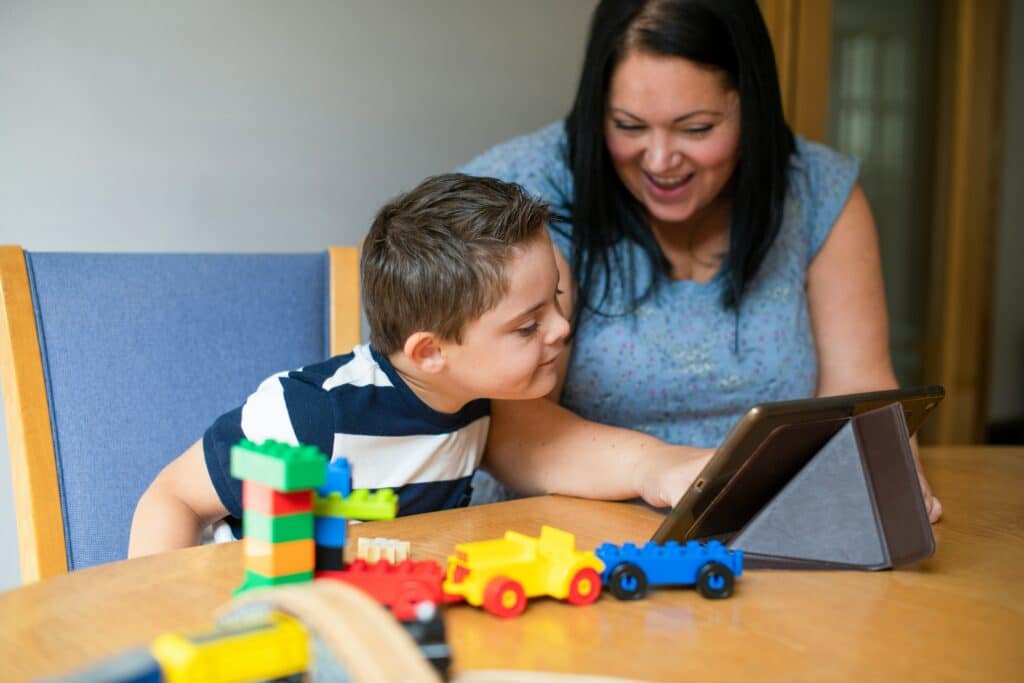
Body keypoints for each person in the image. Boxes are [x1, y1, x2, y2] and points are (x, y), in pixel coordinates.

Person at [461, 0, 941, 521]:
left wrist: (887, 472)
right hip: (558, 532)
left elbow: (861, 388)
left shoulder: (819, 192)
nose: (661, 161)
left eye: (696, 129)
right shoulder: (526, 195)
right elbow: (509, 429)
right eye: (629, 125)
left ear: (750, 106)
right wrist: (670, 470)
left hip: (764, 524)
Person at [128, 173, 706, 558]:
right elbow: (173, 498)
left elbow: (561, 450)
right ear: (430, 352)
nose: (561, 328)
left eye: (556, 298)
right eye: (528, 325)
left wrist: (665, 467)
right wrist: (162, 615)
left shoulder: (475, 399)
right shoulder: (308, 415)